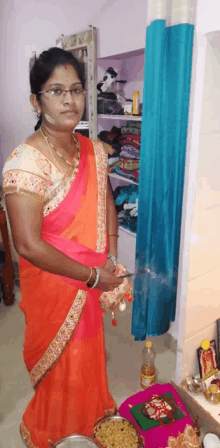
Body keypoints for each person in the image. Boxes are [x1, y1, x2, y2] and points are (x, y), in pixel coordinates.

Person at [2, 47, 132, 447]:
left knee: (88, 356)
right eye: (56, 91)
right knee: (61, 366)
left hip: (91, 276)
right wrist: (94, 276)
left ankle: (89, 418)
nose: (69, 101)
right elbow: (26, 243)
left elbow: (106, 202)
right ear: (35, 100)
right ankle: (56, 432)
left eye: (76, 90)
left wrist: (110, 255)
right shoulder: (25, 162)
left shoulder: (91, 148)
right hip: (56, 287)